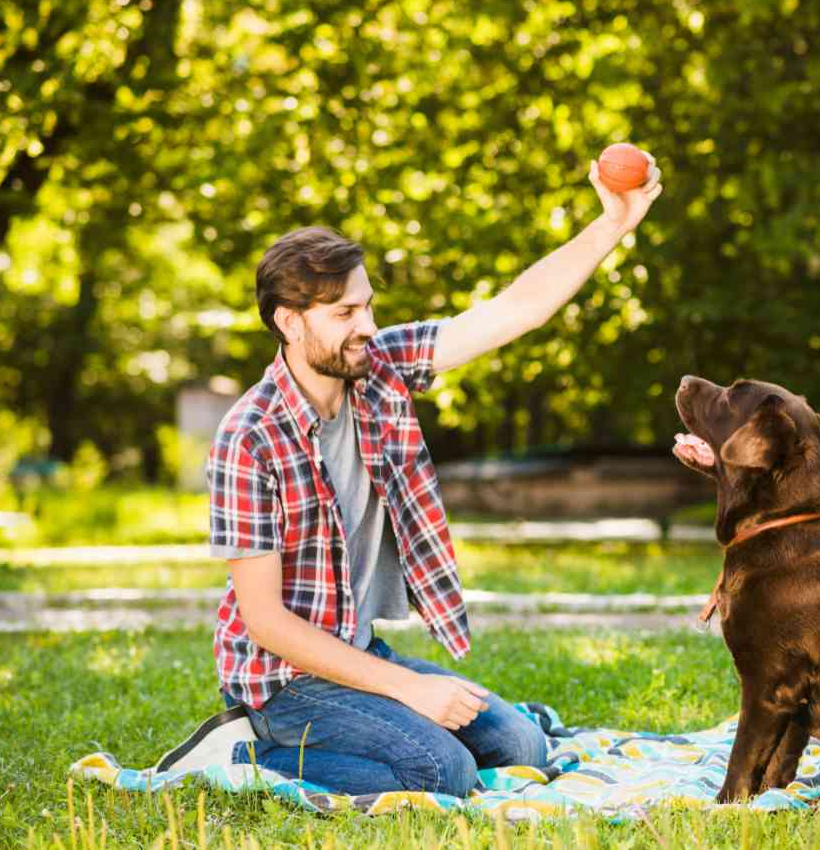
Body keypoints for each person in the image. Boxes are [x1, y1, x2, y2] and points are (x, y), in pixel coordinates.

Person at [154, 157, 663, 796]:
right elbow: (266, 621)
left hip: (358, 654)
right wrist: (411, 690)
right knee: (439, 771)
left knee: (520, 745)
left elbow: (514, 312)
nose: (366, 326)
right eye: (343, 313)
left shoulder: (379, 365)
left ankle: (389, 722)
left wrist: (612, 225)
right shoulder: (248, 438)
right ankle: (239, 756)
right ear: (289, 321)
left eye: (366, 306)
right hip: (283, 681)